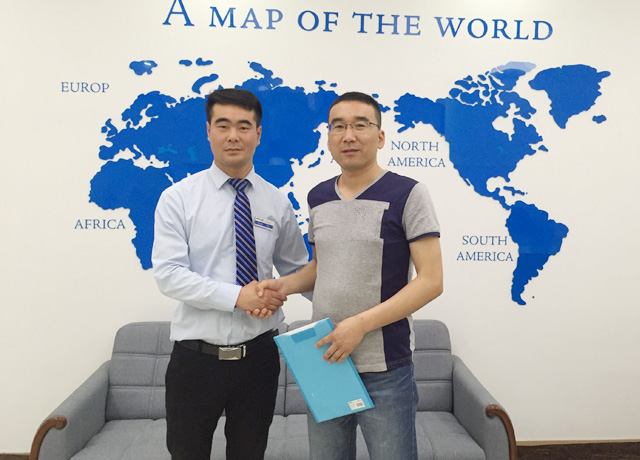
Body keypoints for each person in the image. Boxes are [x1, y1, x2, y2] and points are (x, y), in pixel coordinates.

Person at [258, 91, 443, 460]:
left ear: (380, 136)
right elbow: (321, 267)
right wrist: (282, 286)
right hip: (326, 360)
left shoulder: (408, 193)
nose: (349, 136)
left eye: (361, 125)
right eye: (338, 127)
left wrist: (360, 324)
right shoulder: (318, 197)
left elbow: (431, 281)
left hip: (385, 366)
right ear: (328, 138)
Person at [152, 88, 309, 460]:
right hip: (195, 361)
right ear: (208, 131)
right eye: (223, 126)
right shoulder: (178, 198)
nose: (233, 136)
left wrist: (347, 306)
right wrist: (239, 296)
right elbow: (169, 274)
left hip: (259, 360)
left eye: (243, 126)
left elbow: (298, 270)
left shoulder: (276, 201)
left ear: (258, 133)